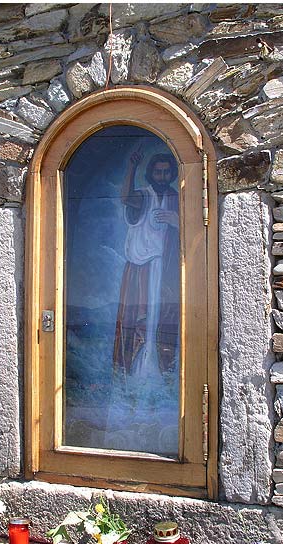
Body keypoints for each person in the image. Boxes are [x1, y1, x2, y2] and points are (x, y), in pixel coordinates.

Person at [113, 148, 180, 379]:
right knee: (139, 320)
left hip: (167, 271)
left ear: (171, 174)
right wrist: (131, 168)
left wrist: (177, 221)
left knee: (165, 319)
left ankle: (161, 372)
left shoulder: (175, 199)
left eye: (166, 172)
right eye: (158, 172)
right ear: (151, 174)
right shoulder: (143, 196)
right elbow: (125, 198)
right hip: (141, 270)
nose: (162, 176)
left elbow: (192, 232)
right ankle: (133, 373)